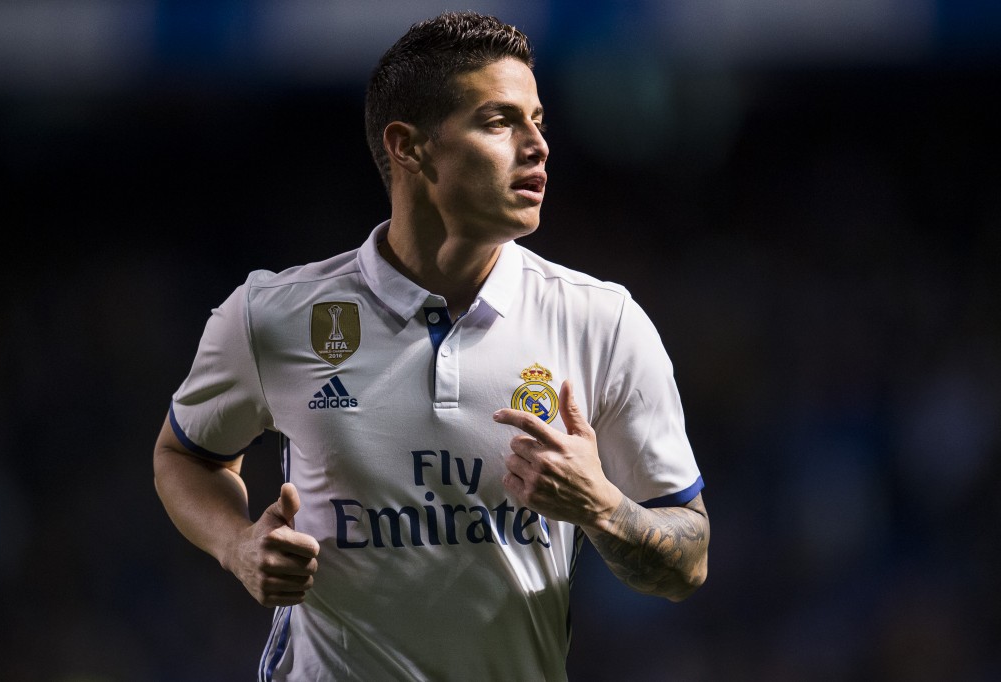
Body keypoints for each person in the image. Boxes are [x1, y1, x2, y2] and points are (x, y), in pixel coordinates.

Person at [153, 11, 709, 681]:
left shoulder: (601, 322)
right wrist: (237, 545)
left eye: (538, 121)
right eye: (500, 122)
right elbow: (184, 454)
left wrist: (600, 505)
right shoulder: (273, 317)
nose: (538, 146)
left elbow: (689, 561)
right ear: (409, 147)